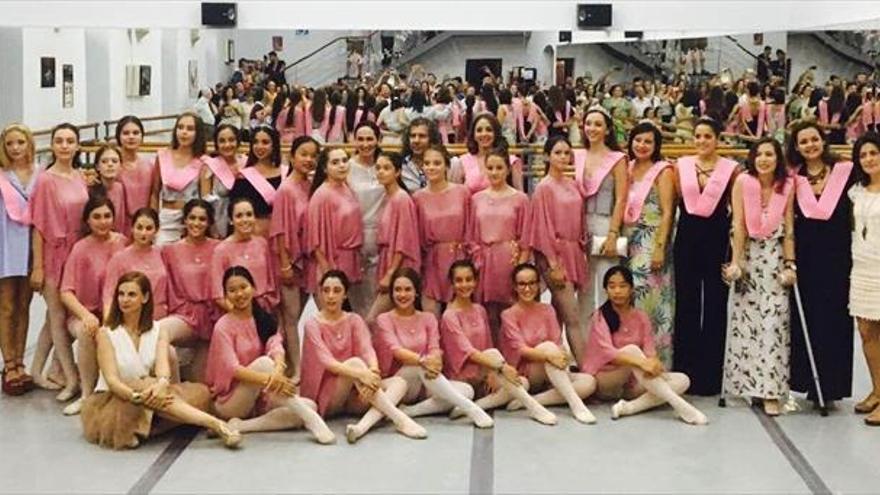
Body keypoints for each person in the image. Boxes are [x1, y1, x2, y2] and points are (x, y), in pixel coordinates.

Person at [82, 271, 240, 449]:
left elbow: (163, 370)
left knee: (201, 394)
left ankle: (148, 426)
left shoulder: (158, 330)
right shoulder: (106, 333)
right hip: (117, 397)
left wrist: (161, 385)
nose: (124, 300)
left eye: (131, 294)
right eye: (121, 294)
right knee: (140, 385)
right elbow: (112, 380)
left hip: (151, 393)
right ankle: (215, 424)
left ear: (145, 297)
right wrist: (136, 396)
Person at [205, 266, 334, 443]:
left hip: (260, 396)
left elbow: (276, 346)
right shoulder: (223, 327)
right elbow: (234, 370)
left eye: (243, 287)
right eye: (232, 290)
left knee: (310, 405)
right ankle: (313, 421)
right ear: (226, 295)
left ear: (253, 288)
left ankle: (241, 426)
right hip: (231, 401)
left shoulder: (262, 318)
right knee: (265, 363)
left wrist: (278, 370)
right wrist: (271, 379)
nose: (239, 294)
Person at [300, 270, 427, 443]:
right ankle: (401, 420)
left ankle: (362, 426)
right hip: (328, 396)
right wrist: (362, 374)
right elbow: (327, 362)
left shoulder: (354, 320)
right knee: (356, 363)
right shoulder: (312, 324)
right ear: (320, 293)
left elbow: (367, 349)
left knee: (399, 382)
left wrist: (373, 372)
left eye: (337, 291)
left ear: (345, 294)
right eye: (326, 291)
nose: (331, 296)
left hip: (355, 392)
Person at [722, 138, 796, 416]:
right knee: (747, 324)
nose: (764, 159)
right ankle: (750, 385)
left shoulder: (786, 186)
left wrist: (791, 264)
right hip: (750, 259)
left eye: (770, 154)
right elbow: (738, 224)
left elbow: (788, 227)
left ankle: (771, 391)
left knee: (774, 325)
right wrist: (736, 261)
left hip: (774, 261)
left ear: (778, 159)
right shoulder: (743, 182)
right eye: (759, 154)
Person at [582, 265, 707, 424]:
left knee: (683, 380)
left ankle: (628, 408)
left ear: (631, 289)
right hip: (606, 380)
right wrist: (642, 362)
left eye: (622, 286)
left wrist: (653, 362)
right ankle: (681, 407)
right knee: (632, 350)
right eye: (612, 286)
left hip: (632, 383)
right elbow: (608, 355)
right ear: (605, 290)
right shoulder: (599, 317)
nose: (617, 291)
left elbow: (650, 351)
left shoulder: (641, 317)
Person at [374, 268, 494, 429]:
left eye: (407, 289)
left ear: (416, 292)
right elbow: (396, 350)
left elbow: (435, 348)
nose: (402, 295)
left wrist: (435, 361)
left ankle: (410, 412)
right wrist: (424, 360)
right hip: (401, 382)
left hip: (427, 381)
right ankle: (472, 409)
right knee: (417, 365)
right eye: (398, 290)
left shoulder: (428, 318)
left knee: (466, 390)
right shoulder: (384, 319)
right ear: (392, 293)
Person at [788, 121, 855, 407]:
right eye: (803, 142)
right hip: (806, 258)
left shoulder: (845, 172)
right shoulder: (793, 177)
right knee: (809, 318)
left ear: (823, 140)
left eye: (814, 139)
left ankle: (831, 386)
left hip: (838, 257)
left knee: (835, 319)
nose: (810, 145)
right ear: (796, 147)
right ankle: (808, 383)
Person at [441, 261, 557, 424]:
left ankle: (475, 407)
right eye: (459, 280)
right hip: (464, 379)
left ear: (475, 282)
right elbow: (468, 351)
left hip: (485, 377)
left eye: (469, 279)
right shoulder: (449, 316)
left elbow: (488, 344)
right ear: (452, 284)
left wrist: (492, 374)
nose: (464, 284)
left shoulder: (479, 310)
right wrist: (499, 367)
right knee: (496, 357)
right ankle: (535, 408)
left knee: (522, 382)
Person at [672, 117, 739, 396]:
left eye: (707, 136)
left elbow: (736, 210)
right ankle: (684, 371)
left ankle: (711, 375)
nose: (701, 141)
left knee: (714, 304)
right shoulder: (682, 166)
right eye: (697, 136)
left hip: (717, 237)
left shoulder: (731, 170)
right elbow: (675, 202)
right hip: (687, 236)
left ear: (717, 139)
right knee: (686, 302)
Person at [29, 124, 89, 396]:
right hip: (54, 253)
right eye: (59, 141)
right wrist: (38, 266)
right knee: (57, 316)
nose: (64, 146)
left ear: (77, 145)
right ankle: (70, 375)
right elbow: (38, 226)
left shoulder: (79, 176)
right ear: (52, 145)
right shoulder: (44, 180)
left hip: (76, 253)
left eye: (70, 141)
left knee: (55, 318)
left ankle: (39, 370)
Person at [500, 263, 597, 423]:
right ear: (515, 287)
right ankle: (577, 405)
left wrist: (561, 356)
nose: (527, 288)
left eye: (532, 283)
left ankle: (534, 401)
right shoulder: (508, 315)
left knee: (589, 382)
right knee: (548, 347)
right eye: (522, 284)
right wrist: (549, 355)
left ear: (539, 285)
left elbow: (557, 342)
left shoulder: (547, 310)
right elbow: (521, 349)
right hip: (527, 372)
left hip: (551, 371)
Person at [59, 195, 128, 415]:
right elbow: (66, 292)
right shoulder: (80, 249)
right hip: (85, 314)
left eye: (107, 216)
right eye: (96, 216)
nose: (103, 221)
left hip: (118, 313)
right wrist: (85, 315)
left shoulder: (122, 243)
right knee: (87, 332)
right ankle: (87, 395)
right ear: (87, 220)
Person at [528, 136, 588, 363]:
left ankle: (558, 361)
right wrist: (553, 263)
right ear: (547, 156)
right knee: (572, 316)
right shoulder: (544, 187)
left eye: (566, 152)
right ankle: (585, 367)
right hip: (556, 254)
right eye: (557, 152)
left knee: (560, 313)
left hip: (573, 250)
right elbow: (542, 227)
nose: (563, 157)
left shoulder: (572, 184)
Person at [622, 122, 675, 367]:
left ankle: (656, 361)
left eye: (648, 142)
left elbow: (667, 212)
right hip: (628, 238)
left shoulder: (663, 171)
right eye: (638, 140)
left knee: (648, 296)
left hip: (652, 238)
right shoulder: (627, 167)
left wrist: (660, 247)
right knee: (626, 295)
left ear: (656, 146)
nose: (642, 146)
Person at [573, 107, 628, 333]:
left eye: (597, 124)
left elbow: (621, 198)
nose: (592, 129)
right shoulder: (577, 155)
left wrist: (614, 233)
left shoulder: (617, 159)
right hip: (580, 225)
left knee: (609, 284)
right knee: (584, 287)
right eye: (588, 124)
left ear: (607, 129)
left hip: (606, 223)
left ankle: (610, 342)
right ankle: (584, 347)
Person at [468, 148, 530, 336]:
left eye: (499, 168)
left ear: (507, 170)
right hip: (483, 260)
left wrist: (520, 266)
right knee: (485, 312)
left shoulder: (520, 199)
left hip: (508, 258)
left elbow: (526, 237)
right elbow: (471, 233)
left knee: (510, 310)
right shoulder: (476, 199)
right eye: (490, 168)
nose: (494, 172)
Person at [271, 136, 318, 373]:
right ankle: (296, 368)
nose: (308, 160)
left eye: (312, 155)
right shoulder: (286, 189)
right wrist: (285, 263)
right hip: (288, 259)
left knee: (298, 314)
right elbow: (278, 230)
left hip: (306, 258)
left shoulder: (309, 186)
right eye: (304, 154)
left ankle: (294, 365)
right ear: (292, 157)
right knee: (290, 317)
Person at [160, 199, 220, 381]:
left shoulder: (219, 248)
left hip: (212, 317)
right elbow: (166, 285)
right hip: (185, 315)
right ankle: (171, 391)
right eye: (192, 218)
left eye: (202, 219)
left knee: (200, 384)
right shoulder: (170, 251)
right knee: (160, 332)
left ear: (209, 222)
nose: (196, 223)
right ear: (185, 220)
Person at [0, 123, 37, 395]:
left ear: (29, 144)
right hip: (5, 243)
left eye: (20, 142)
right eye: (10, 143)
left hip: (31, 245)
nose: (15, 148)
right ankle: (9, 363)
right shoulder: (1, 175)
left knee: (24, 304)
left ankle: (22, 361)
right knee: (6, 306)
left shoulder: (40, 174)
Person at [412, 145, 470, 315]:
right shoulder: (417, 198)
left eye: (437, 163)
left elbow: (471, 227)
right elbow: (415, 236)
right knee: (431, 313)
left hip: (460, 258)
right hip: (432, 261)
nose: (431, 167)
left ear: (446, 166)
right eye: (427, 163)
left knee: (459, 313)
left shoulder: (463, 192)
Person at [364, 152, 420, 324]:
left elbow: (404, 240)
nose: (381, 172)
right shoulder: (387, 197)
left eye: (386, 168)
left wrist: (391, 273)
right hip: (386, 260)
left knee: (373, 320)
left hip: (398, 264)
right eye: (378, 168)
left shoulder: (401, 199)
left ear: (397, 172)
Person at [849, 133, 880, 425]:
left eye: (874, 153)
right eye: (863, 155)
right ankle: (877, 389)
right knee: (867, 331)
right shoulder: (857, 191)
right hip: (862, 266)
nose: (869, 159)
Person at [307, 147, 364, 295]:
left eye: (345, 161)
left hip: (350, 259)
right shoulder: (321, 195)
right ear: (325, 168)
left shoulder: (346, 186)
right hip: (332, 261)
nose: (342, 165)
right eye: (335, 162)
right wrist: (327, 271)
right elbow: (315, 240)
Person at [211, 198, 278, 314]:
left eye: (249, 214)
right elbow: (218, 295)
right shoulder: (221, 250)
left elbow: (272, 283)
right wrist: (242, 314)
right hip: (236, 313)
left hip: (265, 311)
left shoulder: (262, 243)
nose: (245, 219)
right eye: (239, 216)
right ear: (231, 220)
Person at [346, 122, 386, 316]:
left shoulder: (385, 165)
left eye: (370, 139)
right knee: (360, 304)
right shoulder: (347, 168)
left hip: (382, 238)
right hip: (355, 237)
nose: (365, 144)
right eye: (360, 139)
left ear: (378, 140)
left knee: (380, 301)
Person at [150, 112, 207, 245]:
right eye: (180, 127)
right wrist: (153, 220)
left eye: (190, 129)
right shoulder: (162, 156)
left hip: (191, 222)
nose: (184, 132)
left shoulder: (203, 162)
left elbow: (204, 198)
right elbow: (154, 192)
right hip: (166, 219)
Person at [103, 208, 168, 321]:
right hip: (130, 317)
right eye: (139, 228)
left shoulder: (163, 254)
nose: (144, 233)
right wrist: (108, 322)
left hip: (160, 318)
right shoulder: (119, 258)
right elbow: (109, 295)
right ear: (132, 229)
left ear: (156, 230)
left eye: (149, 228)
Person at [229, 126, 287, 238]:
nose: (259, 146)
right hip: (254, 234)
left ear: (274, 145)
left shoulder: (286, 173)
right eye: (255, 142)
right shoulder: (243, 178)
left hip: (283, 233)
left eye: (265, 142)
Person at [455, 114, 524, 192]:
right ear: (473, 134)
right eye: (479, 130)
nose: (484, 134)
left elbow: (519, 196)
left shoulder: (511, 161)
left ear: (496, 133)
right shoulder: (463, 161)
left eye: (489, 130)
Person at [201, 124, 246, 237]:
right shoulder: (210, 165)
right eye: (222, 141)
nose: (227, 145)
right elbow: (205, 199)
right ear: (216, 144)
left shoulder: (246, 163)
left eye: (231, 140)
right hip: (217, 222)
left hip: (243, 220)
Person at [115, 116, 155, 224]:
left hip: (144, 225)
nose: (131, 137)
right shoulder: (113, 166)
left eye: (136, 133)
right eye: (126, 133)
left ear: (142, 136)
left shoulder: (150, 166)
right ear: (118, 136)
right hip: (119, 223)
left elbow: (154, 196)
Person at [92, 144, 129, 236]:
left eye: (114, 161)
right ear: (97, 167)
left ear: (120, 165)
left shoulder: (120, 188)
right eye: (104, 161)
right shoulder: (89, 189)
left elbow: (122, 220)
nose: (110, 164)